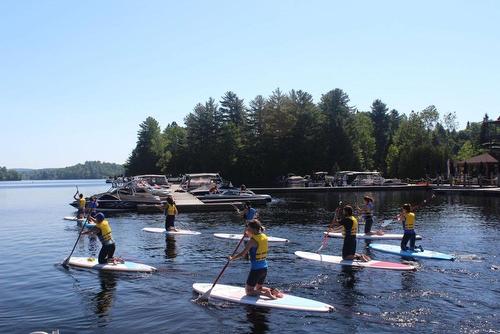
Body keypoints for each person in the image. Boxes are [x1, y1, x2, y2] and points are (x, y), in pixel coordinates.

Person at [229, 220, 283, 299]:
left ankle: (266, 294)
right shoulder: (264, 236)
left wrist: (232, 258)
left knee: (249, 291)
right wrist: (248, 233)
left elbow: (243, 254)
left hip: (256, 269)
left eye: (248, 229)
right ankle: (273, 291)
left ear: (253, 229)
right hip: (264, 268)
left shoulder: (252, 241)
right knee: (258, 288)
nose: (247, 230)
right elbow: (257, 232)